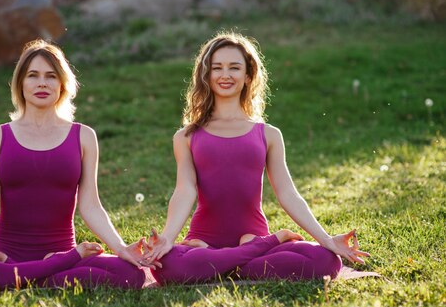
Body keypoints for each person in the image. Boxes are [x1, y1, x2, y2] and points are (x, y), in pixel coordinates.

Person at [142, 32, 370, 285]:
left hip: (249, 237)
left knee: (326, 260)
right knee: (167, 267)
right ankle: (251, 257)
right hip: (207, 242)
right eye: (216, 67)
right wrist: (167, 238)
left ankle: (221, 265)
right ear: (206, 75)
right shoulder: (186, 136)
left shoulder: (269, 134)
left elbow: (288, 193)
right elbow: (184, 190)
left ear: (248, 76)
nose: (225, 75)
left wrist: (326, 239)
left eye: (234, 67)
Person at [0, 39, 147, 292]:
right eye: (33, 75)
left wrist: (120, 248)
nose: (42, 83)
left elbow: (91, 205)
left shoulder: (83, 136)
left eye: (51, 76)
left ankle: (24, 276)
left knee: (130, 274)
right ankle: (52, 272)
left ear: (62, 84)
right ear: (20, 83)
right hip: (7, 256)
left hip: (57, 252)